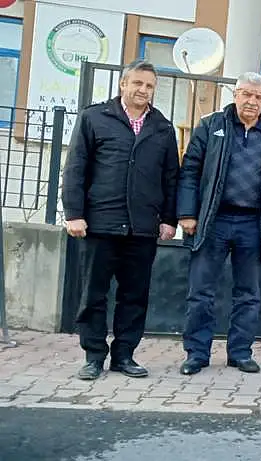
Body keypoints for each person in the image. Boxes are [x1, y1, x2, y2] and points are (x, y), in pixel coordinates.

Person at [62, 60, 180, 380]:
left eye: (149, 86)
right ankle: (93, 356)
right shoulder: (94, 118)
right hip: (100, 223)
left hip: (143, 227)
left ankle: (124, 356)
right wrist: (74, 213)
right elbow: (75, 169)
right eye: (137, 83)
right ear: (123, 84)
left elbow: (171, 178)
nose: (143, 90)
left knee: (134, 296)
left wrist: (169, 219)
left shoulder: (163, 127)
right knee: (93, 294)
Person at [177, 72, 261, 375]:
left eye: (259, 97)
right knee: (201, 292)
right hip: (212, 220)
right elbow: (190, 170)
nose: (252, 101)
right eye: (247, 94)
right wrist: (187, 213)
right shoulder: (211, 126)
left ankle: (240, 353)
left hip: (254, 224)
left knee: (249, 295)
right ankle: (196, 354)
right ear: (235, 94)